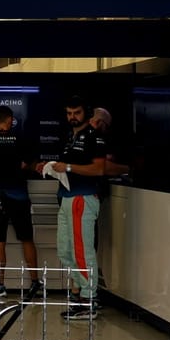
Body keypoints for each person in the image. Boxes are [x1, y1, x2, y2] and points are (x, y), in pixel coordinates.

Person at [36, 96, 125, 321]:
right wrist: (50, 167)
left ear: (86, 113)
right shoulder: (70, 136)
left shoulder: (94, 137)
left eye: (76, 112)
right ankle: (80, 296)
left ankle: (88, 300)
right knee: (65, 252)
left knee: (82, 252)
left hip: (82, 199)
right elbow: (69, 168)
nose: (72, 117)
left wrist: (67, 166)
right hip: (67, 197)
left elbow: (98, 169)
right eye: (69, 113)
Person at [0, 106, 41, 299]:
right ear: (11, 120)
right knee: (27, 238)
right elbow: (30, 164)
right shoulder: (21, 139)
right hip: (20, 196)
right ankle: (35, 283)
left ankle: (0, 286)